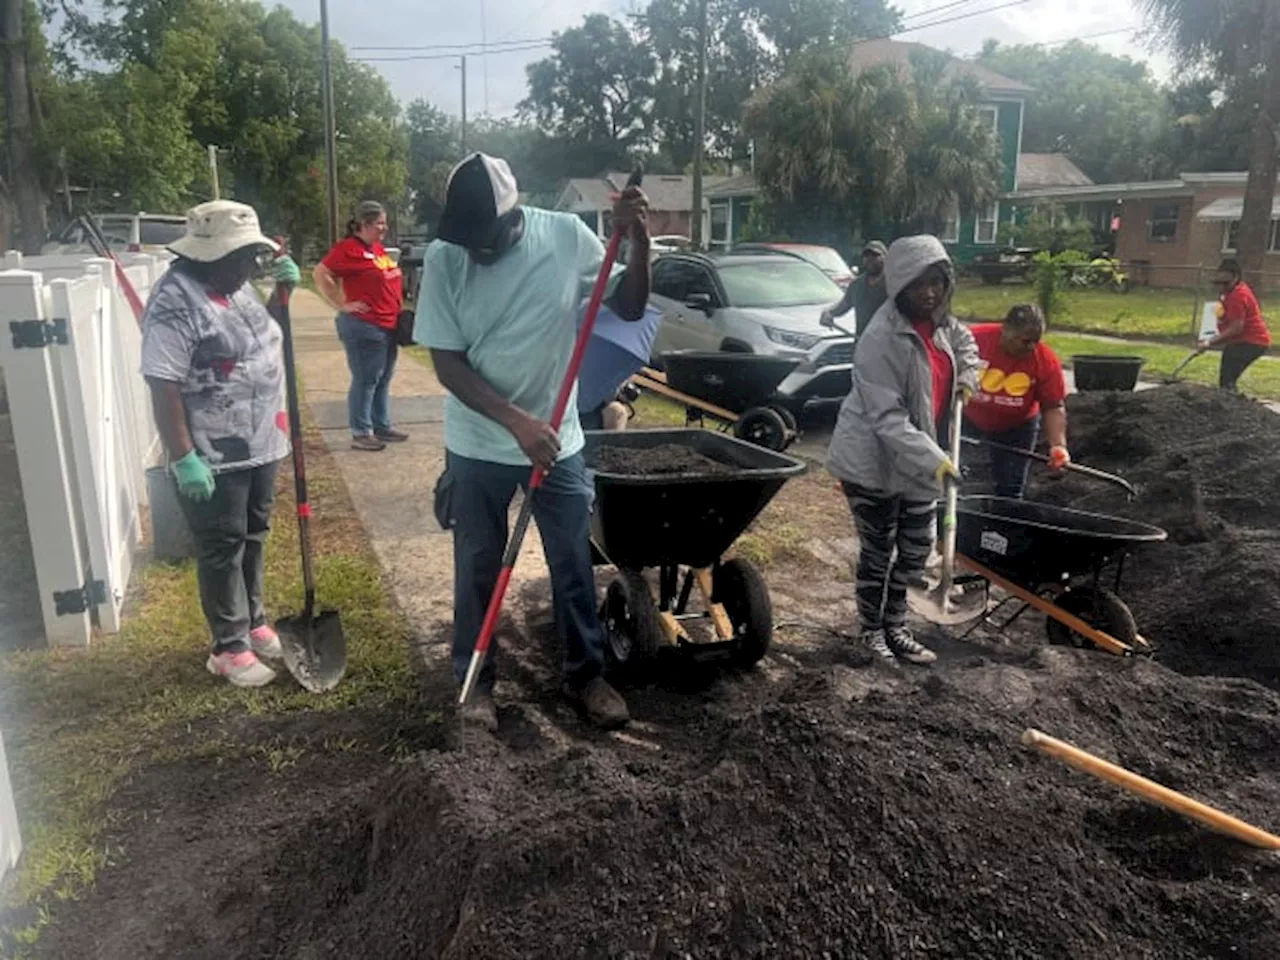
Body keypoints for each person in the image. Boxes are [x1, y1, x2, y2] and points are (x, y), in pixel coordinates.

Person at [417, 153, 652, 732]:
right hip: (477, 443)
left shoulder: (565, 236)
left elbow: (628, 305)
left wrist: (638, 242)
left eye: (484, 236)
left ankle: (586, 675)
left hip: (558, 439)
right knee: (476, 565)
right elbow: (446, 363)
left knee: (573, 561)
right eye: (464, 236)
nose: (474, 247)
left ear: (513, 214)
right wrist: (515, 421)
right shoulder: (447, 256)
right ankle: (476, 682)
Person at [140, 200, 289, 687]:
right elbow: (162, 381)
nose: (253, 267)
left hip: (260, 439)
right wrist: (183, 458)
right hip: (214, 451)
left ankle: (253, 620)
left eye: (255, 258)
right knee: (222, 544)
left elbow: (255, 343)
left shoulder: (236, 286)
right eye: (245, 257)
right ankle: (228, 645)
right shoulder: (176, 299)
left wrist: (281, 293)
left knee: (253, 532)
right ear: (212, 255)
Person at [826, 235, 980, 667]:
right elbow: (888, 420)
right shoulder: (880, 338)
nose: (928, 292)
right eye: (917, 283)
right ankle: (870, 633)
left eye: (936, 281)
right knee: (879, 552)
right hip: (873, 461)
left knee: (915, 550)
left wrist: (967, 377)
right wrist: (937, 464)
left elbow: (967, 345)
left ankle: (896, 625)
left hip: (923, 459)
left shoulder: (943, 322)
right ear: (898, 285)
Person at [314, 201, 406, 451]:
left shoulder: (376, 249)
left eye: (384, 223)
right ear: (364, 224)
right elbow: (321, 272)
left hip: (388, 324)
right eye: (379, 223)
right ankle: (361, 431)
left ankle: (381, 425)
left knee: (383, 378)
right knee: (366, 378)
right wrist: (340, 302)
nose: (384, 228)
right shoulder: (348, 249)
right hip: (364, 325)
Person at [963, 304, 1069, 499]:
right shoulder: (972, 340)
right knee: (959, 473)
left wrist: (1058, 446)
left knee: (1010, 485)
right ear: (1006, 331)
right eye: (1025, 341)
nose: (1031, 347)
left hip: (1016, 426)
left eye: (1036, 341)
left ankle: (1004, 523)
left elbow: (1053, 406)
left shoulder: (1045, 360)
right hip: (967, 417)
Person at [1200, 258, 1271, 392]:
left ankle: (1232, 406)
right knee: (1227, 379)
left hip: (1252, 341)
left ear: (1236, 278)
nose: (1221, 287)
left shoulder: (1238, 295)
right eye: (1218, 283)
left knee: (1227, 380)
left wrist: (1209, 342)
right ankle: (1230, 400)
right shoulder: (1230, 292)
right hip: (1244, 341)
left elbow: (1236, 327)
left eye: (1225, 283)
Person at [820, 239, 888, 336]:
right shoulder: (857, 285)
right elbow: (843, 305)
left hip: (889, 345)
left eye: (875, 255)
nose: (870, 259)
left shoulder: (894, 283)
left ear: (886, 258)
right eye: (866, 255)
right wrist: (829, 313)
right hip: (863, 343)